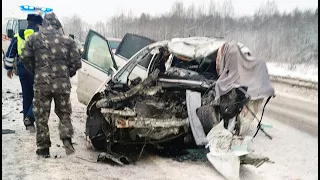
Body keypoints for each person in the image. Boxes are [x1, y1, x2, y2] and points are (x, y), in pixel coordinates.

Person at [20, 12, 82, 158]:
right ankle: (67, 141)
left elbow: (24, 57)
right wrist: (67, 74)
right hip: (62, 85)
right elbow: (77, 62)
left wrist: (36, 71)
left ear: (44, 24)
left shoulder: (34, 39)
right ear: (57, 24)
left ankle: (43, 148)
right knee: (64, 113)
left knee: (41, 116)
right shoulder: (68, 41)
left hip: (41, 85)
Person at [4, 14, 43, 132]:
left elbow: (10, 53)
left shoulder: (19, 35)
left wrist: (9, 68)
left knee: (27, 95)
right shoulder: (40, 36)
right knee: (39, 95)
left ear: (28, 23)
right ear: (37, 24)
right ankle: (30, 117)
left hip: (22, 68)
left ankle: (28, 124)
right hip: (35, 69)